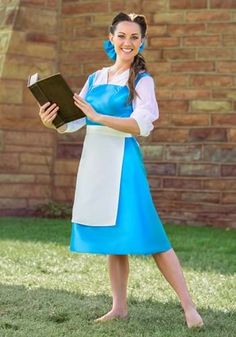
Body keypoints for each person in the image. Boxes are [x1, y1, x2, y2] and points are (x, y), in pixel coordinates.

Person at [39, 12, 204, 328]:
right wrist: (52, 121)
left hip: (123, 161)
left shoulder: (142, 80)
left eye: (134, 37)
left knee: (151, 233)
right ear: (111, 38)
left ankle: (189, 307)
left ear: (142, 42)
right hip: (96, 161)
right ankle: (119, 307)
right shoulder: (95, 78)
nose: (128, 42)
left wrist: (99, 118)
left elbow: (142, 124)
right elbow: (74, 122)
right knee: (114, 239)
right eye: (122, 36)